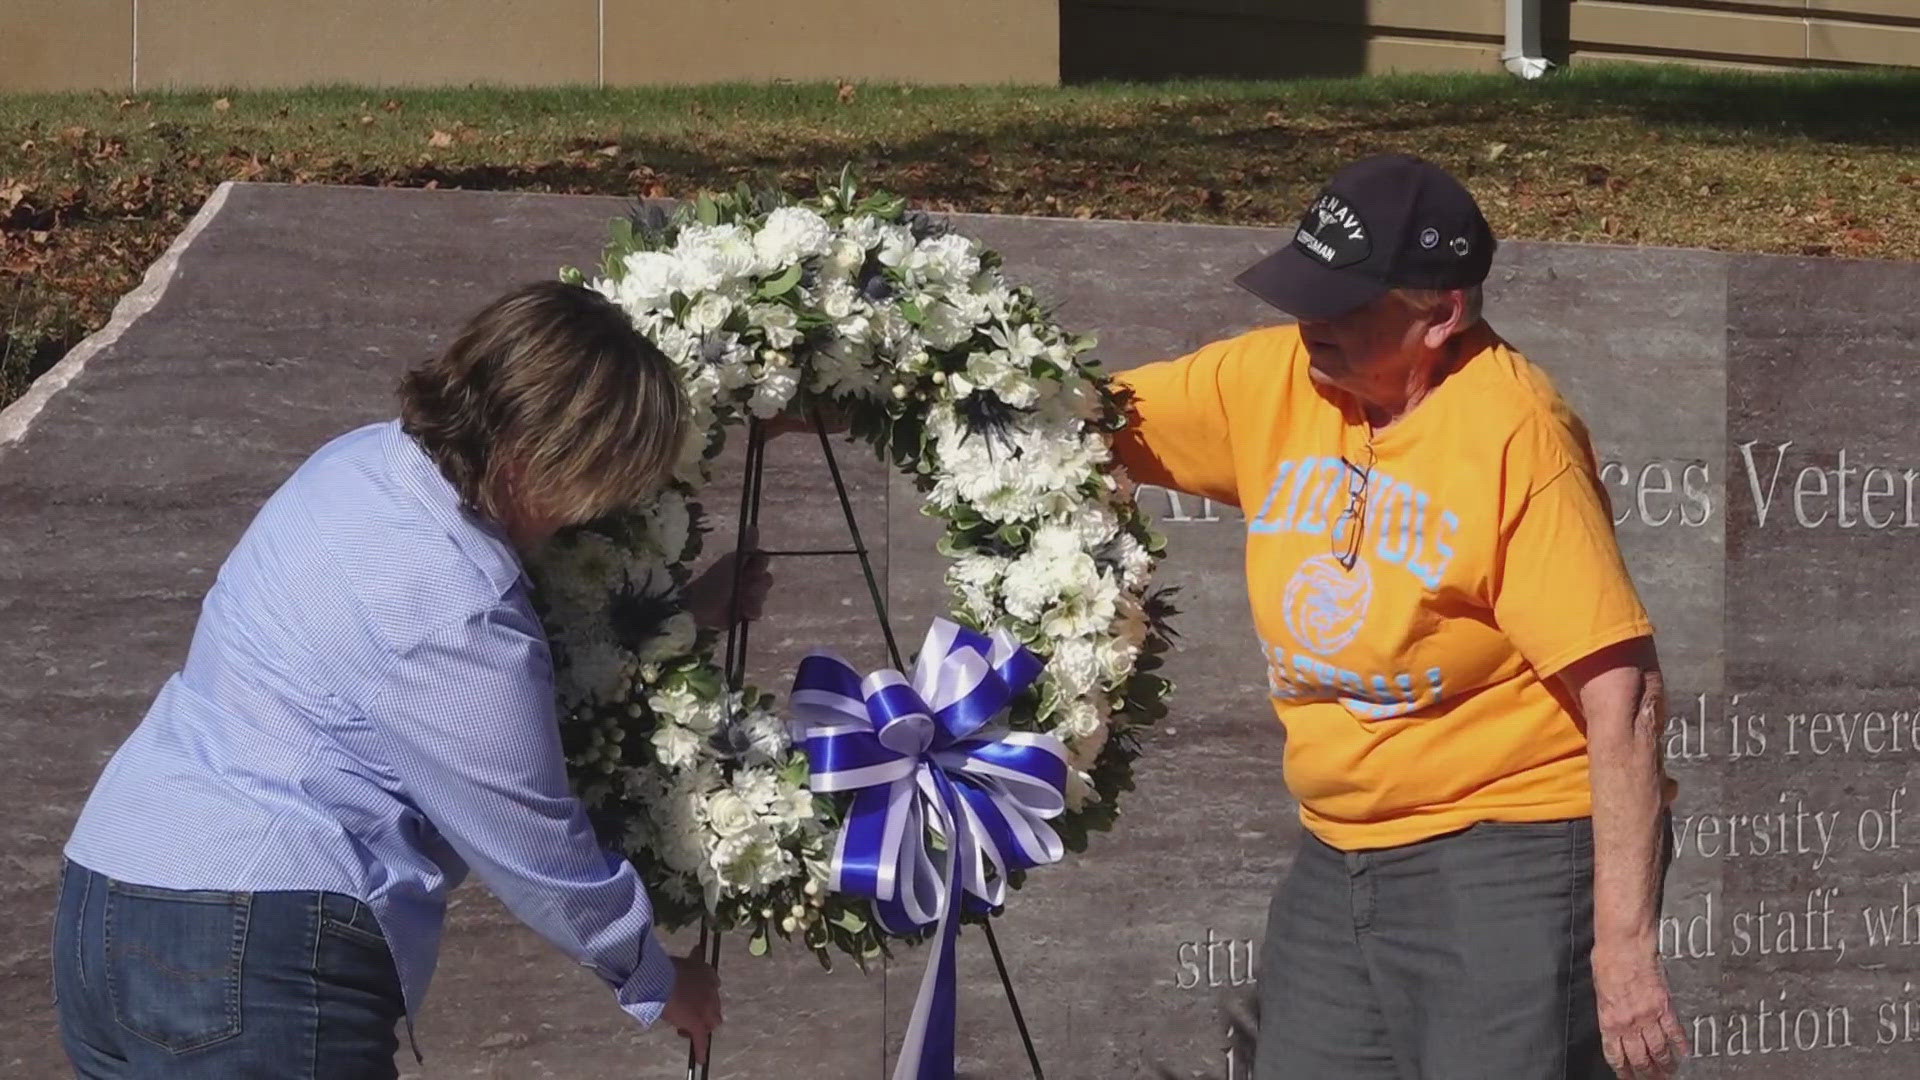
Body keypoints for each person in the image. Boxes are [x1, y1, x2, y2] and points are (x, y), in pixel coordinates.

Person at [52, 281, 764, 1078]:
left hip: (107, 896)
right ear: (545, 462)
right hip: (252, 946)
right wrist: (656, 979)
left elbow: (422, 693)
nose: (581, 520)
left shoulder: (358, 462)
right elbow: (532, 841)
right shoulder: (460, 602)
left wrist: (677, 616)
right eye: (596, 493)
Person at [1111, 154, 1687, 1079]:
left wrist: (1623, 947)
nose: (1310, 325)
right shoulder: (1273, 379)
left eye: (1344, 305)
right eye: (1303, 295)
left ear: (1442, 313)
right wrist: (819, 376)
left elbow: (1624, 693)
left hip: (1511, 852)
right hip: (1339, 850)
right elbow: (1062, 409)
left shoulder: (1514, 433)